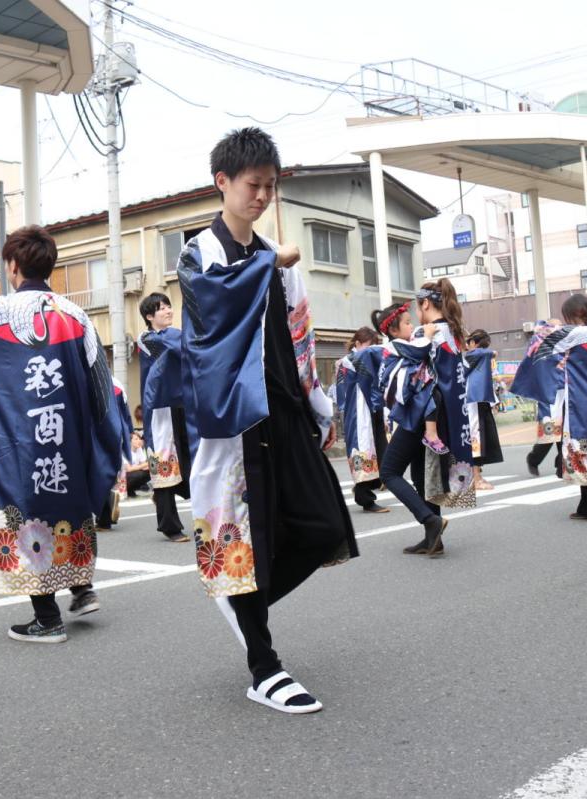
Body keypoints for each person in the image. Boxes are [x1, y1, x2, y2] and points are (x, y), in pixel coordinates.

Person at [176, 127, 356, 714]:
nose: (261, 197)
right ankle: (264, 665)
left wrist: (319, 404)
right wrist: (266, 262)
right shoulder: (201, 252)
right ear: (222, 182)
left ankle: (241, 601)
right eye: (253, 185)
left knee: (328, 526)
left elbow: (300, 338)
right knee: (245, 536)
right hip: (237, 420)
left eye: (270, 188)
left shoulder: (278, 260)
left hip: (285, 411)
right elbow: (215, 304)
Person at [0, 224, 123, 643]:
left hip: (16, 440)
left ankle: (47, 618)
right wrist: (107, 441)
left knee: (25, 512)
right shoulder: (76, 316)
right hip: (66, 441)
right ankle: (81, 586)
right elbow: (100, 389)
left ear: (12, 265)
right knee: (68, 509)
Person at [379, 280, 473, 557]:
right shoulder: (455, 333)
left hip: (423, 413)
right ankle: (433, 538)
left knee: (389, 471)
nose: (415, 316)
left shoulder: (426, 332)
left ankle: (430, 520)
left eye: (416, 307)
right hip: (448, 414)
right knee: (422, 475)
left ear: (426, 304)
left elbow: (413, 373)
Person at [515, 295, 587, 521]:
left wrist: (547, 325)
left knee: (582, 450)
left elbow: (539, 339)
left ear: (573, 315)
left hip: (581, 400)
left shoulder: (574, 334)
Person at [137, 291, 193, 542]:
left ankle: (161, 495)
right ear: (149, 316)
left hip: (183, 406)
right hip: (159, 410)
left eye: (169, 306)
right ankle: (170, 526)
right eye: (161, 308)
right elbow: (185, 347)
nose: (168, 310)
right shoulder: (148, 339)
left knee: (191, 462)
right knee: (164, 467)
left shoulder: (175, 336)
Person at [335, 325, 389, 513]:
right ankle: (365, 498)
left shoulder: (354, 359)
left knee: (377, 449)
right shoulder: (351, 360)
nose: (372, 349)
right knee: (363, 449)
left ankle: (366, 486)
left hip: (370, 408)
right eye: (369, 345)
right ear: (357, 344)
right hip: (359, 411)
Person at [523, 320, 564, 477]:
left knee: (565, 432)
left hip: (564, 389)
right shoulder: (539, 341)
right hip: (548, 391)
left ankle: (561, 464)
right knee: (549, 433)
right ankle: (533, 459)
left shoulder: (564, 341)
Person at [464, 329, 502, 491]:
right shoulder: (473, 355)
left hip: (478, 399)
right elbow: (482, 353)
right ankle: (475, 478)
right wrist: (490, 352)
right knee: (475, 439)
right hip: (472, 400)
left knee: (480, 438)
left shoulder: (476, 355)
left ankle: (476, 475)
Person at [97, 378, 135, 531]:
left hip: (96, 432)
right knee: (111, 469)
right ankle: (110, 498)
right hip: (116, 431)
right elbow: (125, 410)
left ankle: (104, 517)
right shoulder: (117, 384)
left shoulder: (90, 378)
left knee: (97, 473)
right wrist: (130, 431)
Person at [125, 431, 152, 496]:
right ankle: (128, 489)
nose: (139, 441)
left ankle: (131, 490)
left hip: (134, 473)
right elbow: (128, 469)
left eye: (139, 439)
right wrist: (146, 464)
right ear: (130, 442)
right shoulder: (125, 451)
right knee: (140, 474)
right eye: (136, 439)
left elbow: (144, 465)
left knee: (151, 471)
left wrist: (152, 466)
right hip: (124, 477)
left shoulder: (139, 449)